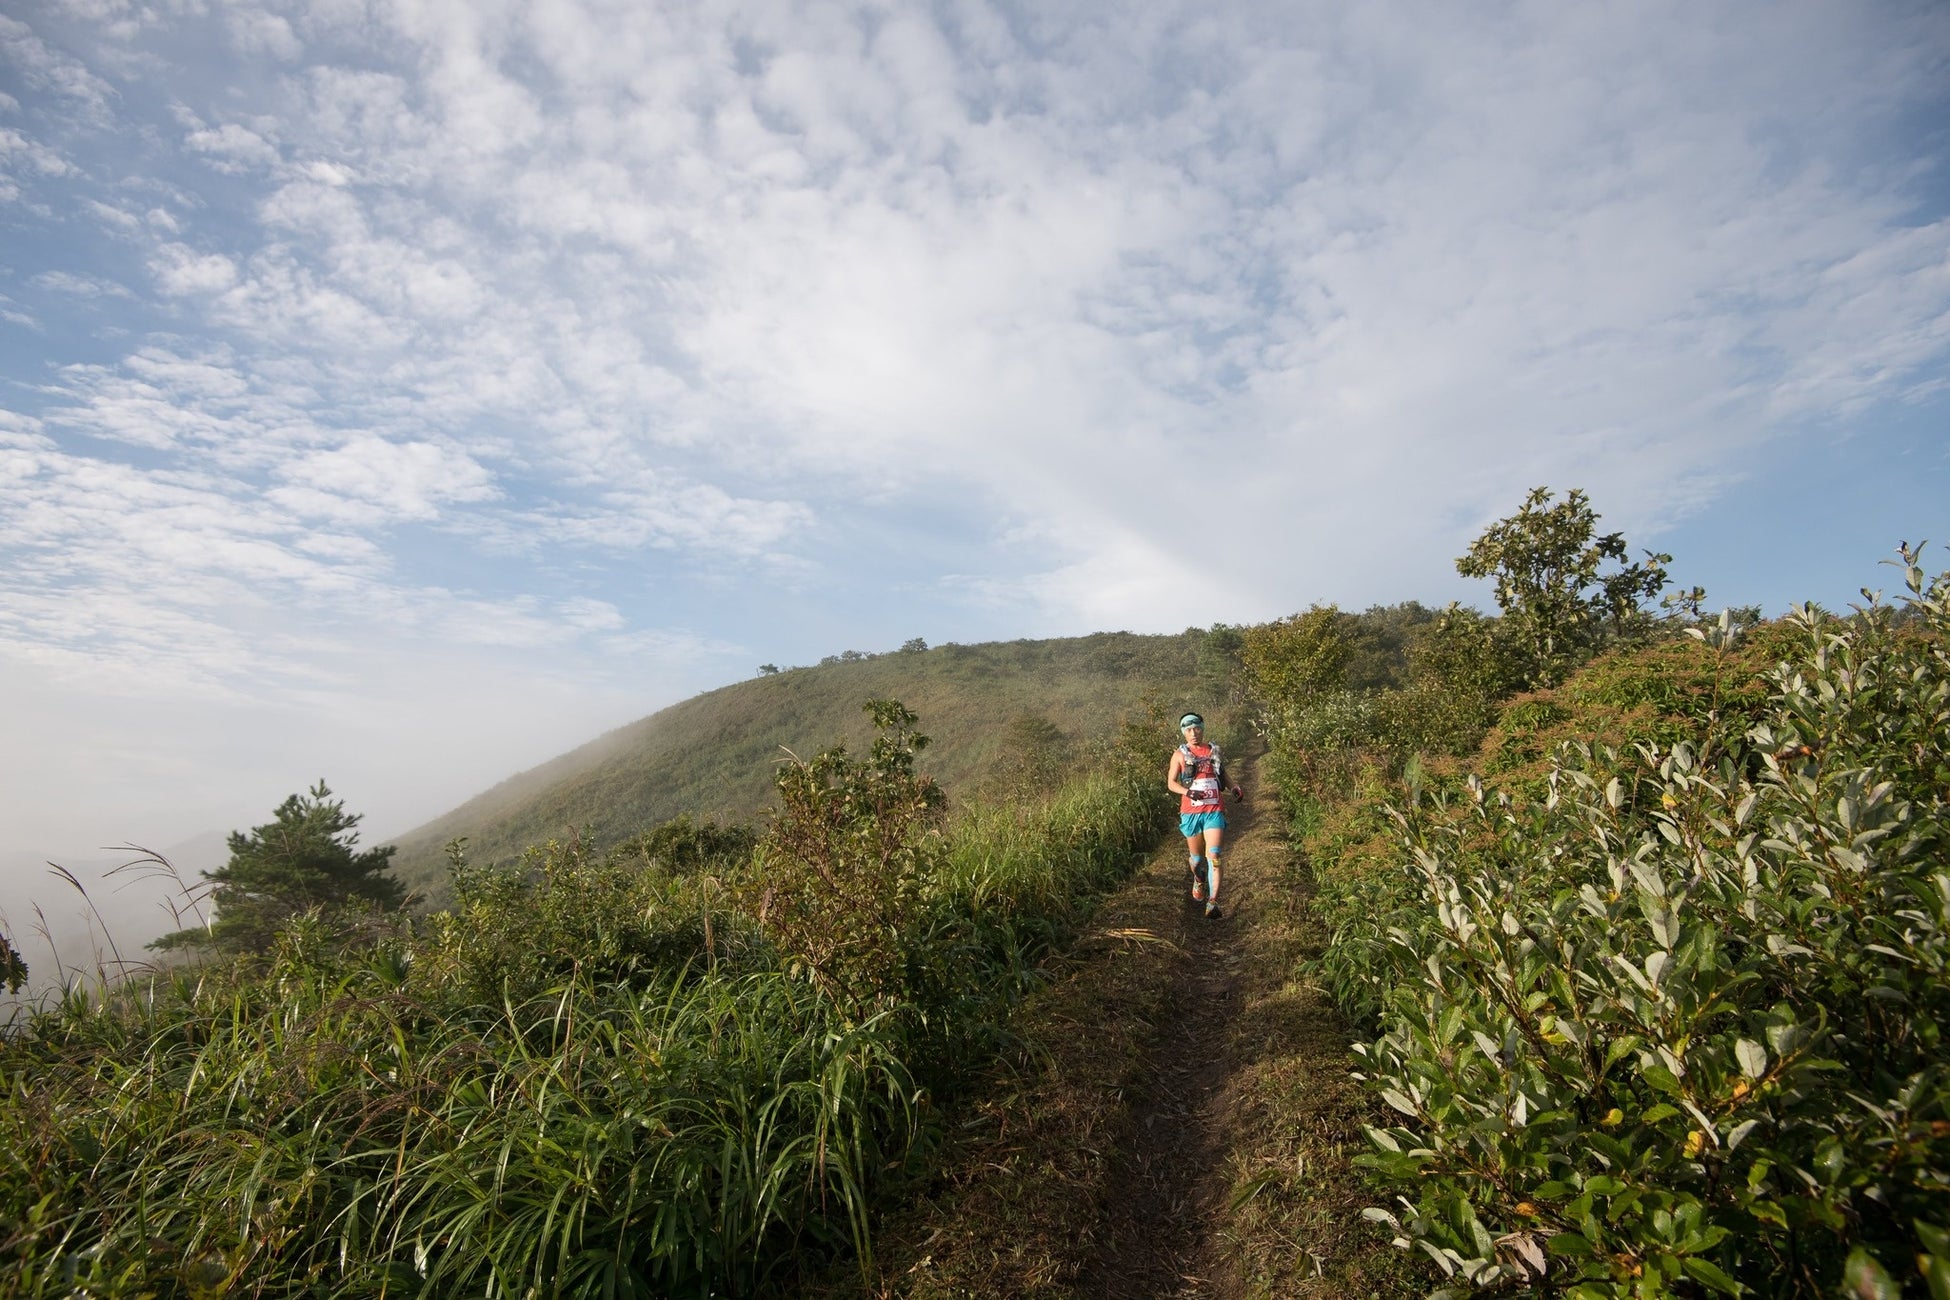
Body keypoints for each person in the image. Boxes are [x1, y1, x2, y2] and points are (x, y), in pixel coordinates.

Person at [1167, 712, 1242, 919]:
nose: (1193, 733)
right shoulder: (1179, 755)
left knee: (1214, 856)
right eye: (1189, 730)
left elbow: (1222, 774)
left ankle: (1212, 902)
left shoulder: (1213, 751)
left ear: (1203, 728)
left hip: (1214, 810)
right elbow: (1171, 783)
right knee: (1197, 859)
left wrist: (1234, 787)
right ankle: (1199, 878)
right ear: (1183, 732)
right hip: (1191, 813)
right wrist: (1187, 792)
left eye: (1197, 728)